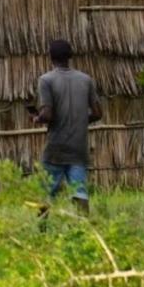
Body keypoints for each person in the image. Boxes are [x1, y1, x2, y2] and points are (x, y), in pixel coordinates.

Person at [33, 38, 101, 215]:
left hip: (56, 148)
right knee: (80, 193)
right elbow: (98, 113)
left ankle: (42, 232)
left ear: (51, 57)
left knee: (45, 193)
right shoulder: (86, 80)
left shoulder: (46, 80)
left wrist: (37, 118)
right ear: (70, 57)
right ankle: (85, 230)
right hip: (78, 148)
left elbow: (47, 114)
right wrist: (78, 119)